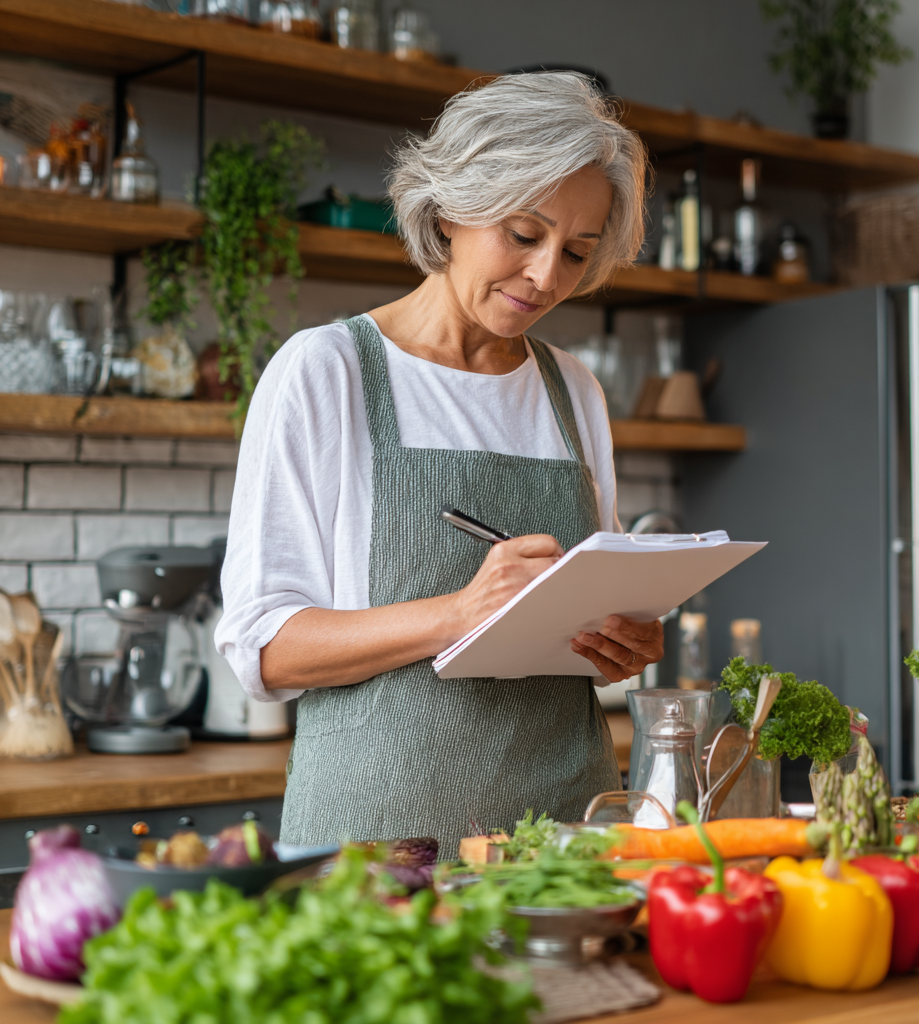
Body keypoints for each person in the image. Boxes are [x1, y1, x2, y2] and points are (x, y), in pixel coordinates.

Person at [216, 72, 663, 858]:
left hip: (563, 841)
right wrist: (457, 614)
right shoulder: (328, 371)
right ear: (453, 206)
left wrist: (620, 640)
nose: (546, 276)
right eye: (525, 235)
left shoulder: (574, 391)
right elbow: (263, 649)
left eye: (577, 252)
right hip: (377, 848)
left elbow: (586, 631)